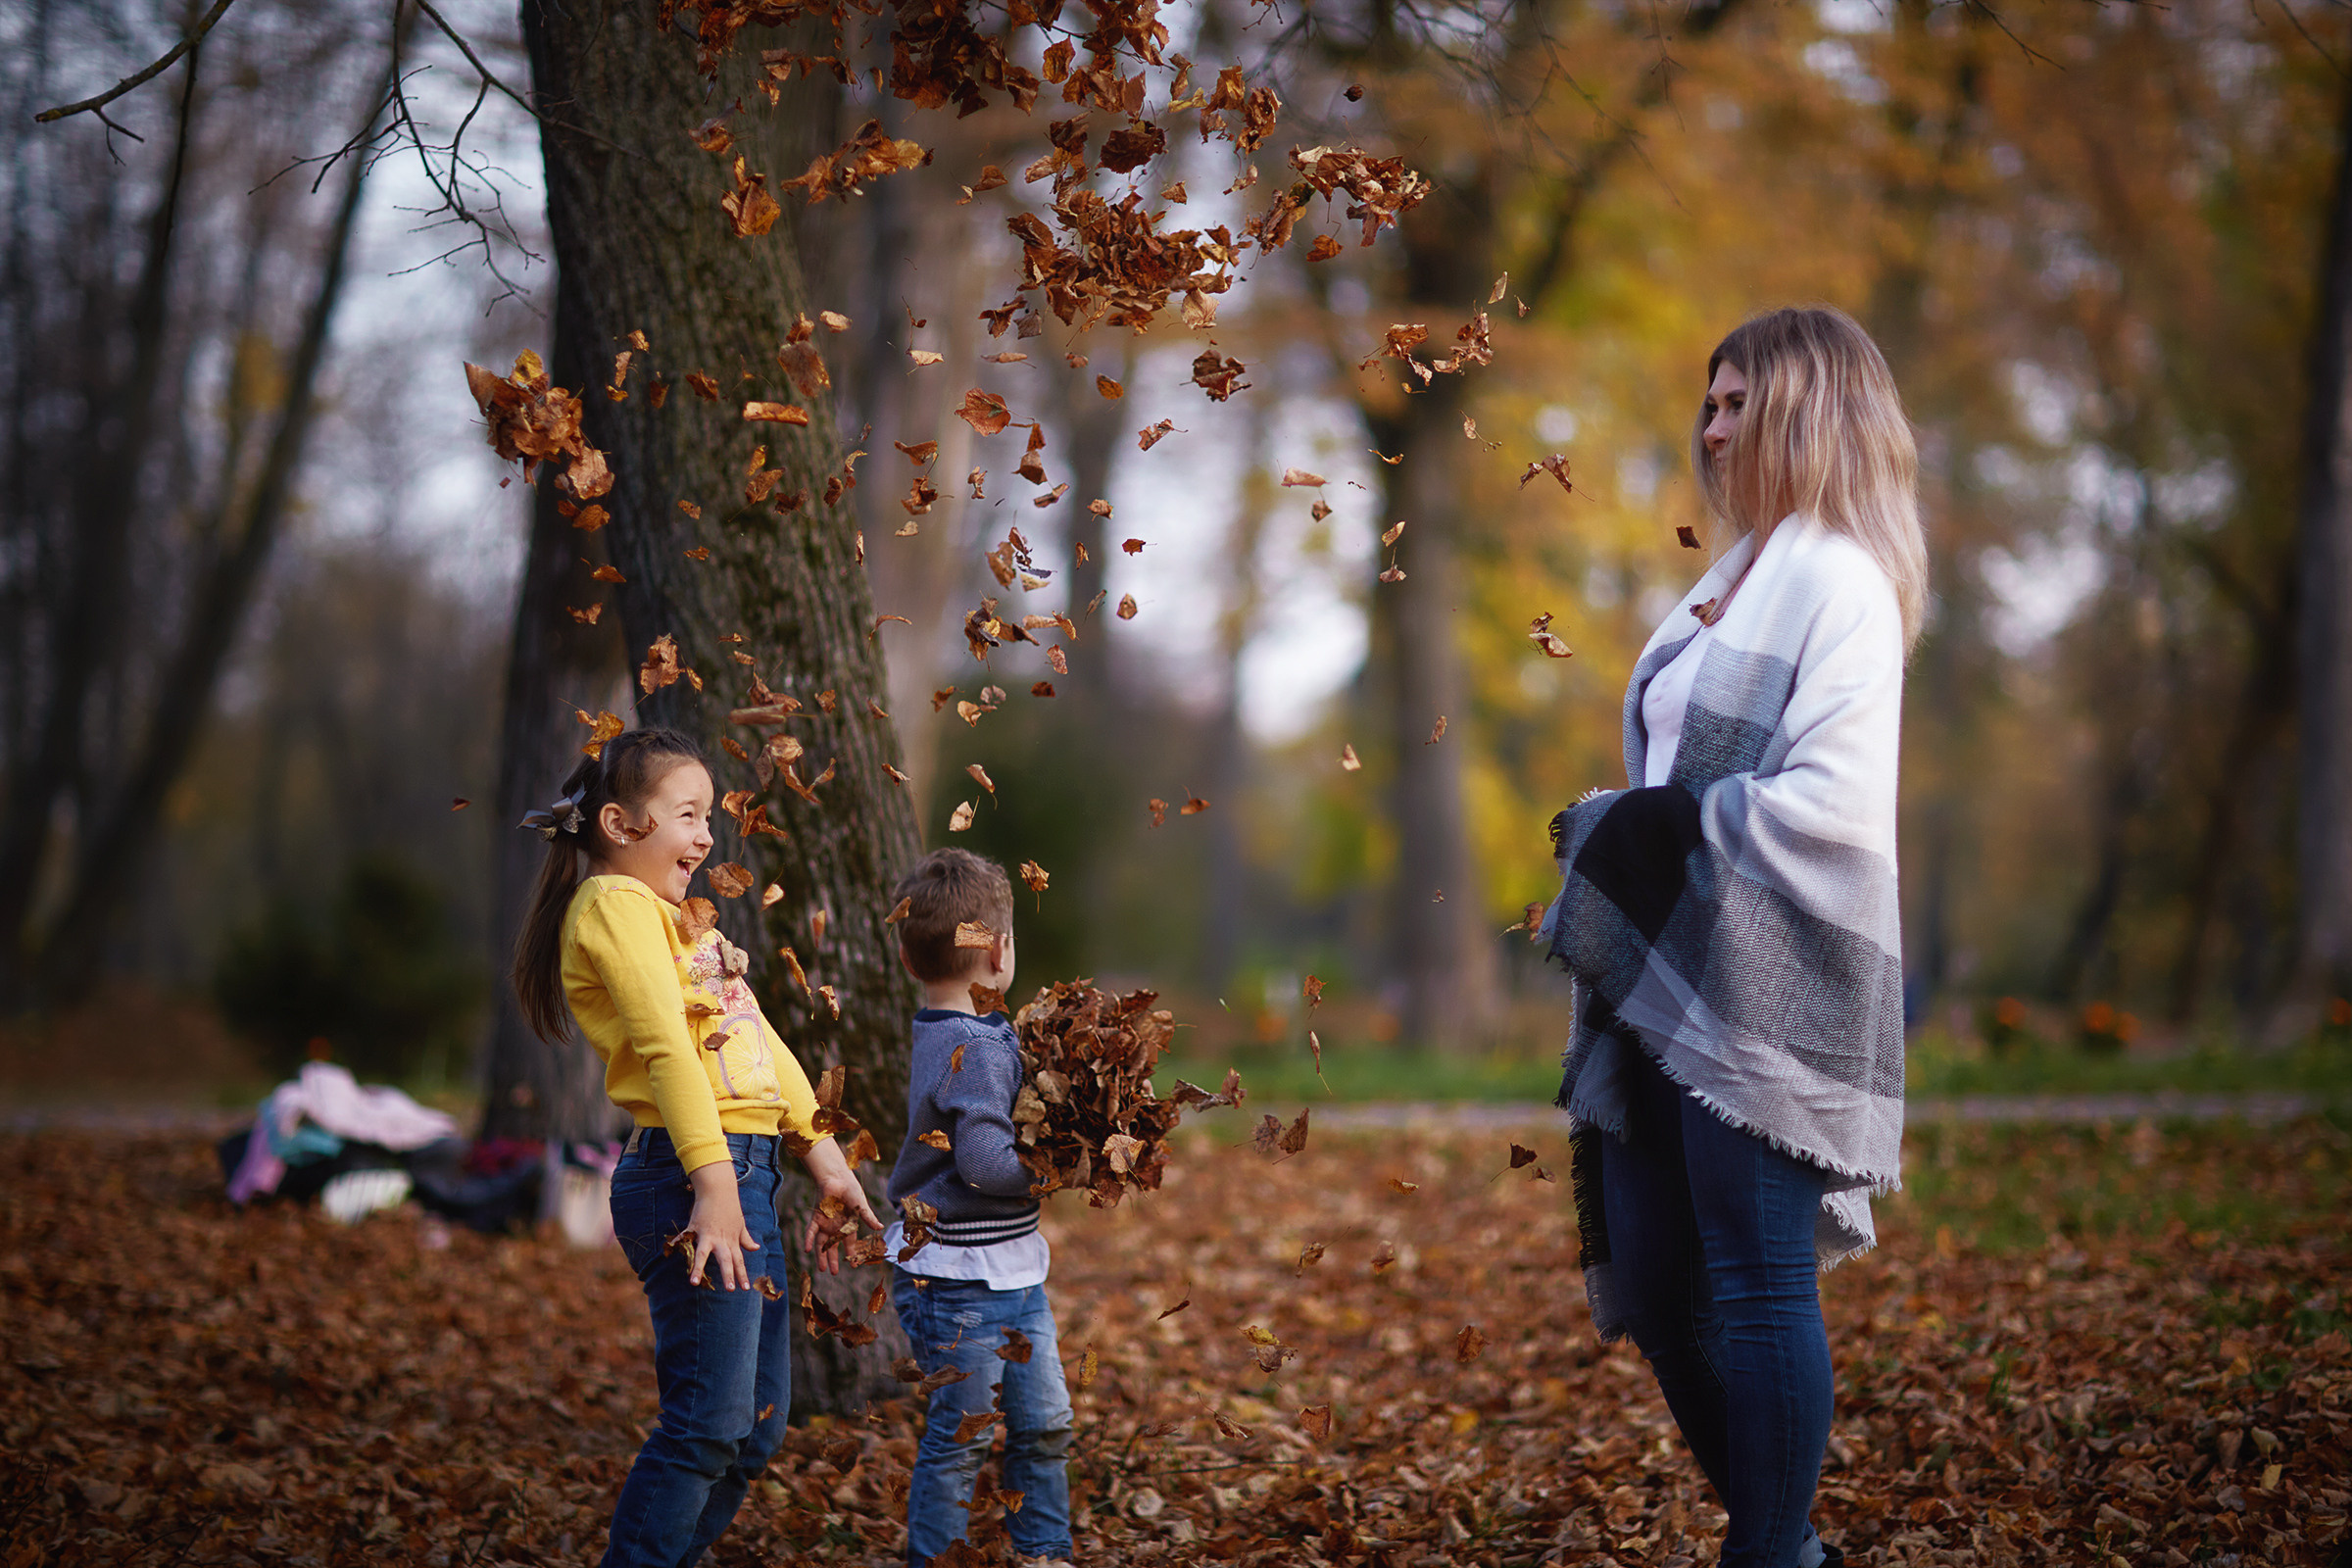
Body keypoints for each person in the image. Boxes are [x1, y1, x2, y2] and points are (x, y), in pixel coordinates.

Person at [1541, 306, 1925, 1568]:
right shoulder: (1735, 573)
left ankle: (1769, 1551)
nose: (1709, 428)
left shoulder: (1845, 583)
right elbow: (1665, 756)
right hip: (1674, 972)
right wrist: (1635, 828)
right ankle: (1789, 1545)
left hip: (1773, 969)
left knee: (1758, 1282)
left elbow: (1831, 804)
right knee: (1654, 1284)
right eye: (1706, 403)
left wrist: (1645, 825)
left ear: (1809, 409)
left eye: (1736, 403)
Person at [510, 725, 883, 1568]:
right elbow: (667, 1048)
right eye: (688, 815)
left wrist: (823, 1157)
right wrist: (713, 1184)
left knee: (753, 1429)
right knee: (708, 1425)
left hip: (743, 1174)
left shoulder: (685, 925)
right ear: (619, 823)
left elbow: (757, 1035)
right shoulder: (613, 908)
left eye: (708, 815)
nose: (708, 835)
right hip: (688, 1179)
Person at [882, 848, 1074, 1568]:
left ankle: (1045, 1550)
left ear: (908, 959)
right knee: (968, 1435)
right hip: (960, 1279)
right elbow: (986, 1163)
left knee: (1042, 1420)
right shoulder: (974, 1046)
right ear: (998, 950)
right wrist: (1054, 1170)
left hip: (1007, 1275)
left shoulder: (941, 1031)